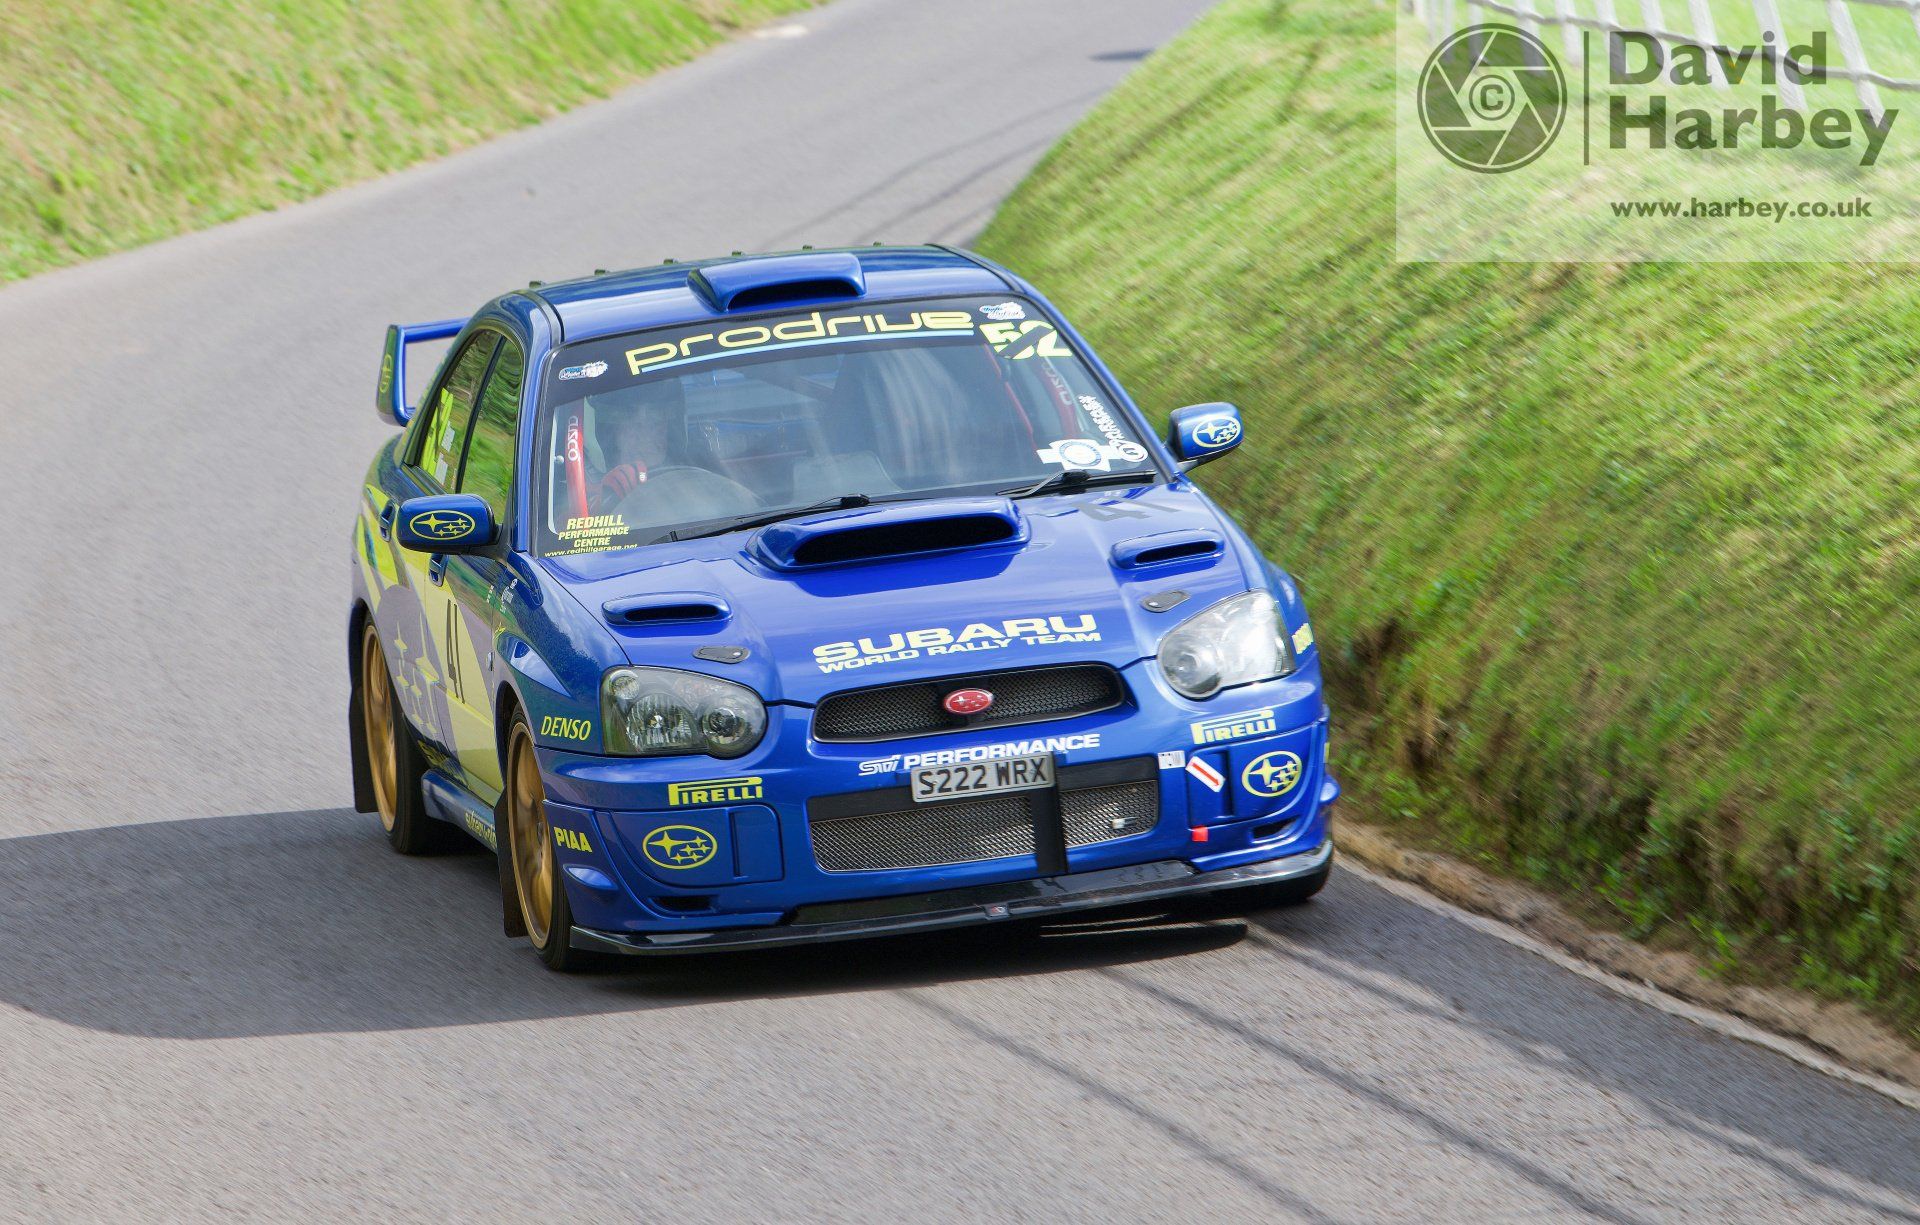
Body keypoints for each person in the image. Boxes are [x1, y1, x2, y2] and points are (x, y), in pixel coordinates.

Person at [586, 378, 684, 514]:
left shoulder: (698, 471)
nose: (644, 433)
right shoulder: (586, 489)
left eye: (655, 418)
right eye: (630, 418)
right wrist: (600, 506)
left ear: (669, 428)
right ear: (613, 431)